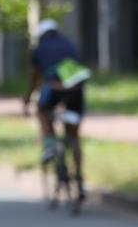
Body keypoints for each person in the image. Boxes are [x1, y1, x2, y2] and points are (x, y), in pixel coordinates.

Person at [23, 18, 90, 200]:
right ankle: (80, 179)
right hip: (76, 90)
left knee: (42, 110)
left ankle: (49, 145)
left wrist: (28, 98)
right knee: (74, 135)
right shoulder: (69, 44)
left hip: (54, 88)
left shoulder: (38, 49)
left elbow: (35, 78)